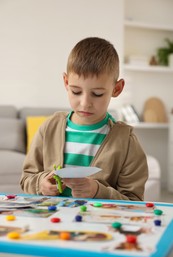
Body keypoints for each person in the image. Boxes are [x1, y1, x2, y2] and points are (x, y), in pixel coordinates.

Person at [20, 37, 148, 200]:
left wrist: (98, 192)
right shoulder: (49, 128)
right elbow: (26, 179)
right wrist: (41, 184)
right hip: (52, 220)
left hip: (98, 223)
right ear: (66, 82)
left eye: (97, 94)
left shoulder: (126, 141)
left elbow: (134, 201)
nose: (85, 103)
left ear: (117, 89)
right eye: (76, 91)